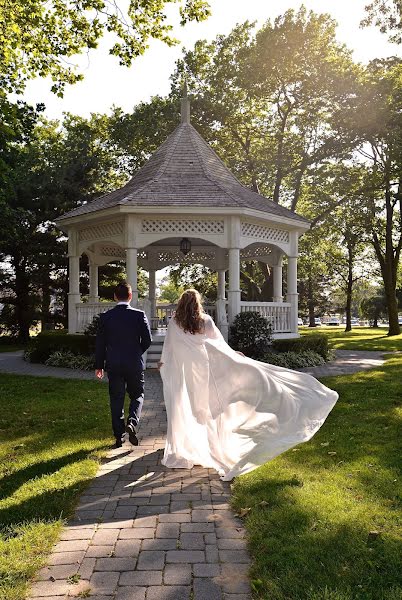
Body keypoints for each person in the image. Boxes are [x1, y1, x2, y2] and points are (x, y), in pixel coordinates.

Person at [158, 289, 338, 481]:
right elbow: (220, 345)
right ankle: (211, 447)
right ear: (197, 303)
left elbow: (168, 348)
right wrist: (234, 355)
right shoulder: (205, 321)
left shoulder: (174, 323)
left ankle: (197, 446)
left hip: (190, 375)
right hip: (208, 374)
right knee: (211, 410)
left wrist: (163, 363)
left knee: (193, 408)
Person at [95, 281, 152, 448]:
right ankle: (132, 422)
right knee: (138, 395)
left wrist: (99, 365)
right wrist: (136, 353)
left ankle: (119, 437)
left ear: (114, 296)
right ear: (130, 296)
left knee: (116, 399)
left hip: (114, 364)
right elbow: (147, 341)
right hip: (134, 363)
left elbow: (100, 343)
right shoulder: (139, 315)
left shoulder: (105, 317)